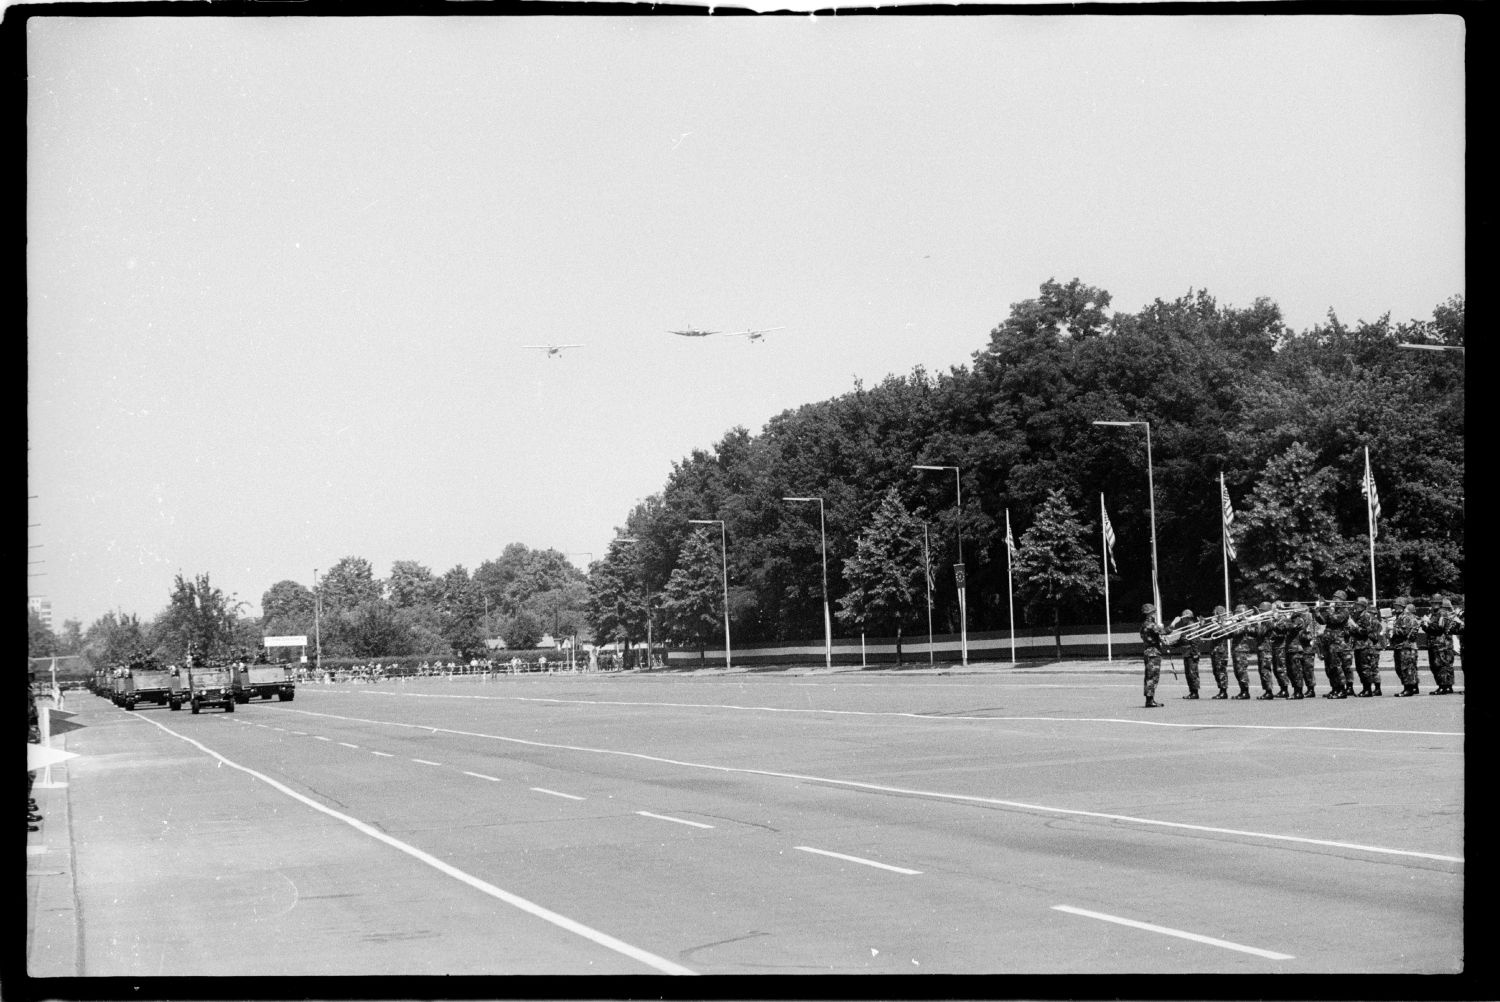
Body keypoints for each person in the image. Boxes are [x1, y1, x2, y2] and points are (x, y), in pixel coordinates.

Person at [1315, 591, 1353, 698]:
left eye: (1336, 598)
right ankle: (1335, 688)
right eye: (1333, 598)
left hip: (1338, 644)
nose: (1333, 600)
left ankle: (1342, 690)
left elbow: (1335, 620)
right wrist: (1317, 613)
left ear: (1342, 600)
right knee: (1329, 667)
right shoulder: (1333, 610)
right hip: (1329, 643)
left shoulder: (1344, 611)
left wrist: (1329, 610)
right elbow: (1323, 621)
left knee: (1337, 667)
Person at [1423, 597, 1459, 695]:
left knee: (1440, 665)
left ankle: (1443, 687)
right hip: (1435, 643)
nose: (1434, 604)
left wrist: (1428, 622)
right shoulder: (1433, 613)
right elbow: (1430, 629)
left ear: (1440, 603)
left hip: (1441, 644)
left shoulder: (1441, 613)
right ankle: (1447, 686)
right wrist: (1424, 624)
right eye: (1433, 602)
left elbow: (1439, 628)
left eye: (1436, 603)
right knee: (1441, 665)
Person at [1252, 601, 1286, 699]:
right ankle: (1270, 690)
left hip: (1266, 649)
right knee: (1264, 670)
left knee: (1265, 670)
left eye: (1261, 611)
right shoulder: (1265, 621)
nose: (1259, 613)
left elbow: (1260, 632)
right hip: (1263, 648)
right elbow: (1255, 633)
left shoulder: (1268, 621)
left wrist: (1257, 621)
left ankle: (1269, 692)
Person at [1350, 597, 1383, 696]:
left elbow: (1365, 631)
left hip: (1365, 646)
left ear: (1363, 606)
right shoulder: (1358, 615)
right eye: (1356, 604)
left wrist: (1354, 626)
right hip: (1359, 645)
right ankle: (1365, 688)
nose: (1356, 606)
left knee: (1366, 668)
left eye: (1358, 605)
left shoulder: (1366, 616)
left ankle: (1368, 689)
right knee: (1360, 668)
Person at [1390, 597, 1422, 696]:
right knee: (1404, 668)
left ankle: (1408, 689)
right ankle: (1413, 687)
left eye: (1397, 606)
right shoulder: (1399, 616)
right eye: (1395, 605)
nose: (1395, 607)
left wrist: (1392, 629)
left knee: (1405, 668)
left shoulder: (1406, 617)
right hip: (1401, 646)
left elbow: (1405, 631)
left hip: (1406, 646)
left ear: (1402, 606)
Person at [1168, 609, 1201, 699]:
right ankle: (1192, 691)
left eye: (1183, 618)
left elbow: (1194, 640)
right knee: (1188, 673)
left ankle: (1195, 692)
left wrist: (1195, 653)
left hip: (1191, 653)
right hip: (1187, 653)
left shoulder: (1191, 626)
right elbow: (1182, 640)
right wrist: (1171, 644)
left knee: (1192, 673)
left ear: (1186, 617)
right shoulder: (1186, 626)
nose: (1182, 620)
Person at [1138, 604, 1166, 708]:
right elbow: (1164, 631)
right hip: (1153, 653)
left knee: (1149, 676)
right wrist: (1173, 625)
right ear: (1150, 613)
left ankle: (1150, 699)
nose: (1155, 614)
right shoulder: (1150, 624)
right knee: (1153, 676)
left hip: (1148, 652)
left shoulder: (1143, 625)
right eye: (1153, 612)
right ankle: (1150, 700)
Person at [1227, 605, 1253, 699]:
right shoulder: (1237, 623)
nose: (1235, 614)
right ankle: (1242, 691)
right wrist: (1223, 625)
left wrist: (1230, 623)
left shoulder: (1244, 623)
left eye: (1237, 613)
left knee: (1241, 671)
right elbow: (1228, 635)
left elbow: (1236, 632)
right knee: (1237, 672)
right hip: (1236, 650)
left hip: (1241, 650)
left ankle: (1245, 692)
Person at [1208, 606, 1231, 699]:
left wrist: (1217, 624)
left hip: (1221, 652)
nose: (1213, 615)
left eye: (1215, 613)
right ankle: (1221, 689)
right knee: (1216, 671)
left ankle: (1223, 691)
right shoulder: (1215, 623)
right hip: (1214, 651)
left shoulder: (1226, 623)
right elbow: (1207, 634)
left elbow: (1226, 633)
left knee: (1221, 671)